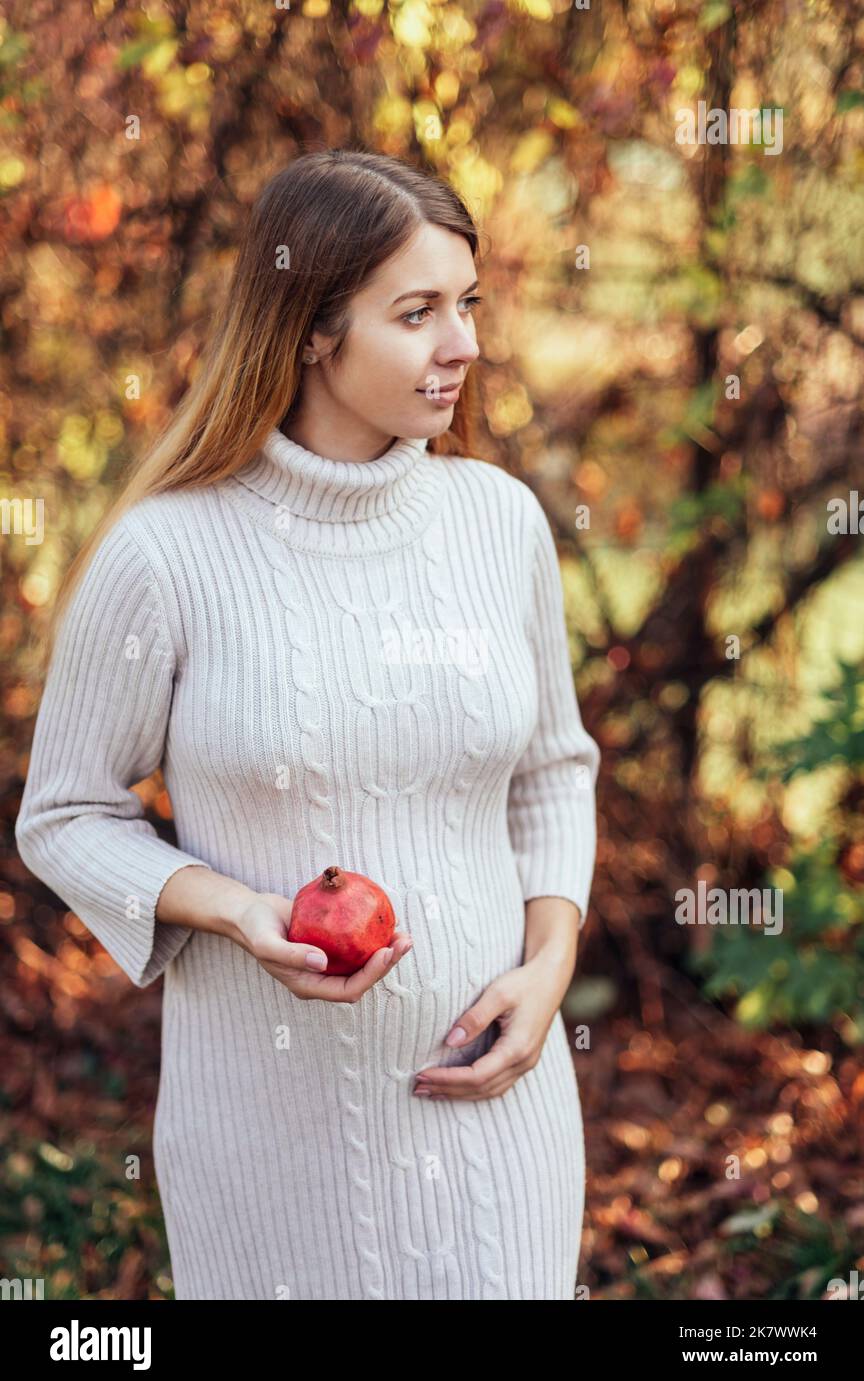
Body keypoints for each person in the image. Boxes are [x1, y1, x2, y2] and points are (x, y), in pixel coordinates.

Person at [15, 148, 601, 1300]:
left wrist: (552, 963)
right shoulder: (169, 554)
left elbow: (553, 771)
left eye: (467, 304)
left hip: (502, 1121)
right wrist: (237, 912)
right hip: (268, 1140)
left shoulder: (498, 524)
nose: (464, 345)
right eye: (418, 312)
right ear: (311, 333)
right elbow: (67, 812)